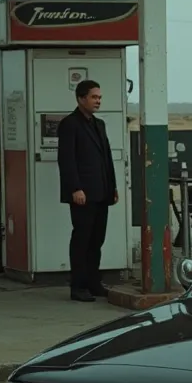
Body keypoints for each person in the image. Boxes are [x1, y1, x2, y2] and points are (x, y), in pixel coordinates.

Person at [57, 79, 118, 302]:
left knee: (96, 239)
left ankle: (94, 282)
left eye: (99, 97)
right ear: (81, 98)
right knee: (82, 239)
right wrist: (75, 188)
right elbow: (67, 160)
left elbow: (107, 159)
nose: (98, 101)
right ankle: (78, 286)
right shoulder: (70, 124)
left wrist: (113, 187)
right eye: (94, 97)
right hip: (82, 194)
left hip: (101, 192)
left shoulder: (99, 124)